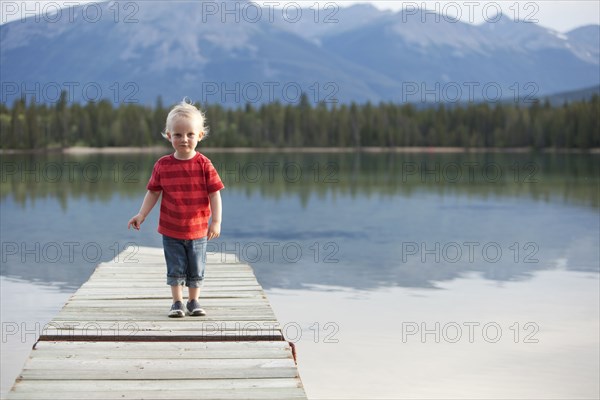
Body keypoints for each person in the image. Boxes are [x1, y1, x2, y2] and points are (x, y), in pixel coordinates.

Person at [127, 99, 224, 318]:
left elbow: (214, 193)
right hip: (171, 230)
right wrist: (141, 214)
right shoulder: (163, 165)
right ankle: (177, 302)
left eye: (190, 134)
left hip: (198, 230)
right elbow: (153, 192)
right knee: (175, 267)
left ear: (200, 135)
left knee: (196, 268)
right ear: (169, 136)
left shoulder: (204, 164)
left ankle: (194, 301)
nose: (184, 139)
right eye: (178, 135)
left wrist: (216, 221)